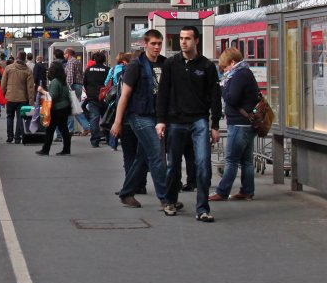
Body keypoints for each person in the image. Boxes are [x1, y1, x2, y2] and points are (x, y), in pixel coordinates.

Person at [156, 26, 222, 223]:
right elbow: (163, 93)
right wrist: (160, 120)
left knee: (203, 165)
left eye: (187, 38)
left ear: (197, 41)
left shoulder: (208, 67)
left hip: (199, 120)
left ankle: (202, 208)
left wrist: (215, 125)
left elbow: (215, 97)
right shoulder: (170, 64)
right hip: (175, 121)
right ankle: (170, 200)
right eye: (181, 38)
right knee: (173, 165)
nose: (183, 42)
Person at [111, 29, 175, 214]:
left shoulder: (165, 64)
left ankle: (127, 192)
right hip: (139, 116)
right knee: (156, 154)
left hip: (158, 117)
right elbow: (124, 96)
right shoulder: (136, 66)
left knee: (143, 157)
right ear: (145, 44)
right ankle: (166, 199)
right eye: (153, 43)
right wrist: (117, 121)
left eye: (159, 44)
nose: (156, 47)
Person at [210, 47, 261, 201]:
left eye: (225, 67)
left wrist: (222, 87)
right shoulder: (246, 72)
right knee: (246, 161)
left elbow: (232, 98)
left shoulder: (239, 75)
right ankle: (247, 191)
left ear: (232, 62)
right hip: (247, 123)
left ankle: (222, 191)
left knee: (231, 160)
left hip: (239, 124)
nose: (224, 70)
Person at [34, 62, 72, 155]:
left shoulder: (55, 82)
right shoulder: (63, 81)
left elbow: (52, 96)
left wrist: (42, 91)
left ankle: (45, 150)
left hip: (57, 109)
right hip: (65, 107)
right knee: (64, 129)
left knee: (50, 130)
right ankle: (66, 149)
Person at [1, 51, 35, 144]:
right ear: (25, 58)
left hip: (10, 97)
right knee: (20, 118)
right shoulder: (28, 70)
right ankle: (17, 137)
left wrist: (2, 98)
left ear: (17, 57)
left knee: (9, 117)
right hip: (23, 99)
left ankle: (9, 136)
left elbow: (3, 85)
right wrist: (31, 101)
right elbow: (30, 87)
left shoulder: (8, 68)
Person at [83, 52, 110, 148]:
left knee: (94, 118)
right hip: (105, 98)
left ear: (94, 60)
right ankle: (109, 138)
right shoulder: (107, 70)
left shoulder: (88, 70)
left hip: (92, 97)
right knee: (107, 118)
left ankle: (95, 140)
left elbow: (85, 83)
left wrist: (89, 92)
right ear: (104, 60)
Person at [64, 48, 90, 134]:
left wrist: (68, 88)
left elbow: (70, 76)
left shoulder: (71, 62)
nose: (64, 56)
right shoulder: (77, 61)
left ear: (68, 54)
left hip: (73, 86)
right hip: (78, 85)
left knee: (71, 108)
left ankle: (70, 129)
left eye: (65, 54)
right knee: (75, 108)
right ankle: (86, 126)